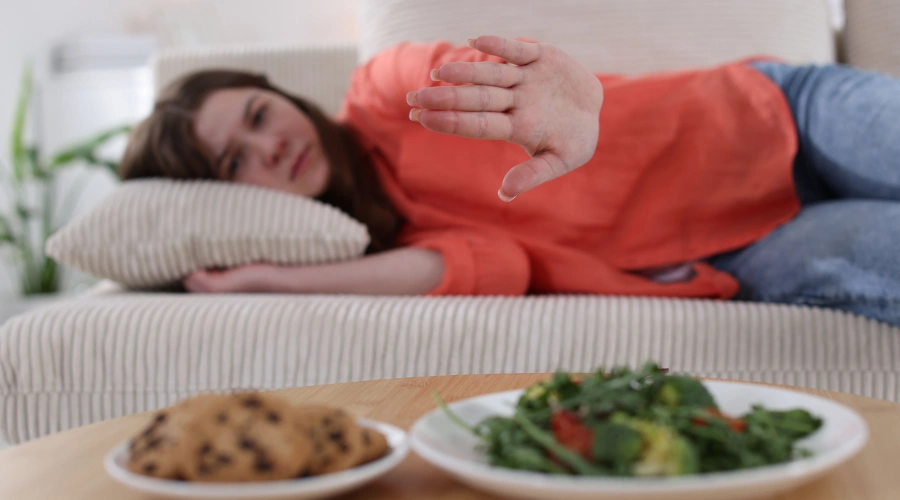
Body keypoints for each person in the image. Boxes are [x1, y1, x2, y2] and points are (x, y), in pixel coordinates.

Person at [120, 35, 900, 326]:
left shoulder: (385, 92)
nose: (271, 147)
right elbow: (497, 268)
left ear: (282, 95)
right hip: (740, 251)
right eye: (234, 163)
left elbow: (454, 68)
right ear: (223, 198)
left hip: (770, 114)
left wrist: (554, 101)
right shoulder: (378, 242)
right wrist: (264, 276)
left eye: (260, 115)